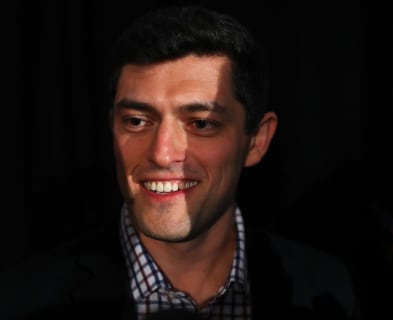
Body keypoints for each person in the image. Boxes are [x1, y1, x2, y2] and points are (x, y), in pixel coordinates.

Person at [0, 5, 359, 320]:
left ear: (257, 141)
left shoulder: (328, 288)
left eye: (201, 124)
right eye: (137, 121)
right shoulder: (21, 300)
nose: (162, 152)